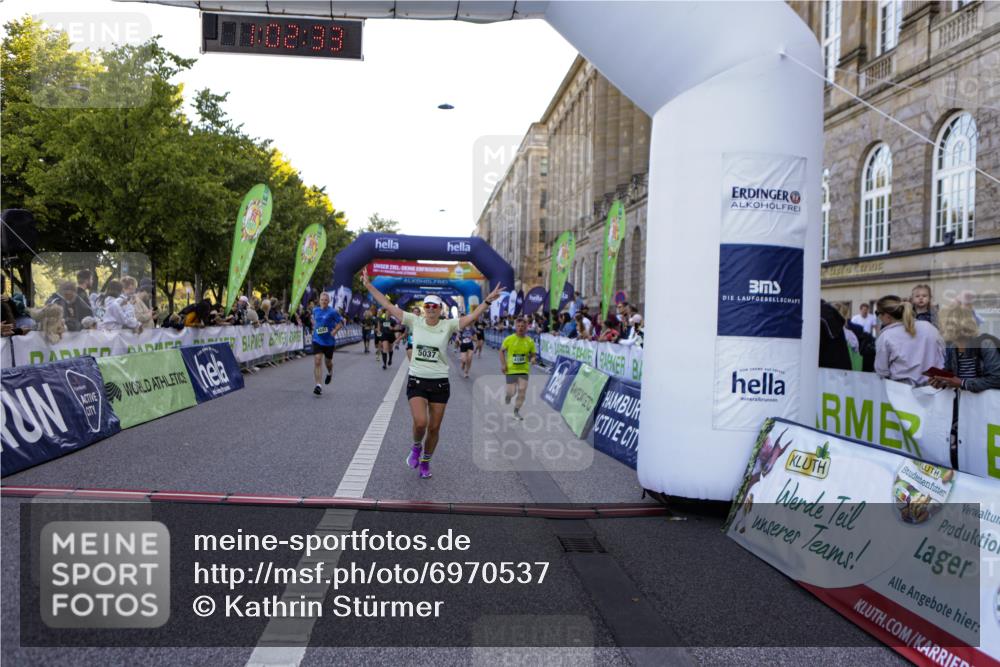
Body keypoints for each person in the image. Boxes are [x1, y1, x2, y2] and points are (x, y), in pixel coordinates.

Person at [362, 269, 503, 479]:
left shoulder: (448, 325)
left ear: (439, 309)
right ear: (423, 308)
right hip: (417, 379)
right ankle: (416, 447)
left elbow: (473, 316)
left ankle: (426, 461)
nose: (429, 309)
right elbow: (388, 305)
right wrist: (369, 286)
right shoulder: (414, 321)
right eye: (426, 305)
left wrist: (488, 301)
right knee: (421, 423)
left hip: (439, 383)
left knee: (435, 428)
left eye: (433, 306)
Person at [873, 295, 945, 386]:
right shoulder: (929, 328)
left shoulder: (886, 336)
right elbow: (944, 355)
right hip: (934, 391)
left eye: (877, 313)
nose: (878, 317)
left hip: (900, 392)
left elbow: (882, 371)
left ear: (887, 316)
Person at [928, 302, 1000, 393]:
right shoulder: (952, 348)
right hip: (964, 405)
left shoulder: (985, 344)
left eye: (944, 323)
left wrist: (963, 383)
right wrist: (942, 381)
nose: (940, 328)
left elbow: (997, 379)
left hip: (985, 406)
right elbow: (954, 379)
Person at [500, 316, 537, 420]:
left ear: (526, 328)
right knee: (512, 392)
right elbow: (501, 351)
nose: (520, 328)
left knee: (522, 390)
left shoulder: (529, 341)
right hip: (511, 370)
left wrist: (533, 358)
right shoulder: (509, 339)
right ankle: (508, 395)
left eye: (523, 326)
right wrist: (503, 364)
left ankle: (516, 412)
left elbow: (533, 354)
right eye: (518, 326)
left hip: (523, 370)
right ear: (515, 327)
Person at [311, 291, 345, 396]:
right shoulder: (315, 310)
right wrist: (315, 328)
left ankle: (330, 372)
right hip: (317, 339)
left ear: (328, 301)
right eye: (322, 300)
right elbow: (314, 320)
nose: (324, 302)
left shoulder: (333, 312)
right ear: (319, 301)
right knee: (317, 360)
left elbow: (341, 323)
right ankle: (318, 385)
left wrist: (334, 331)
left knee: (328, 362)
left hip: (329, 341)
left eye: (326, 300)